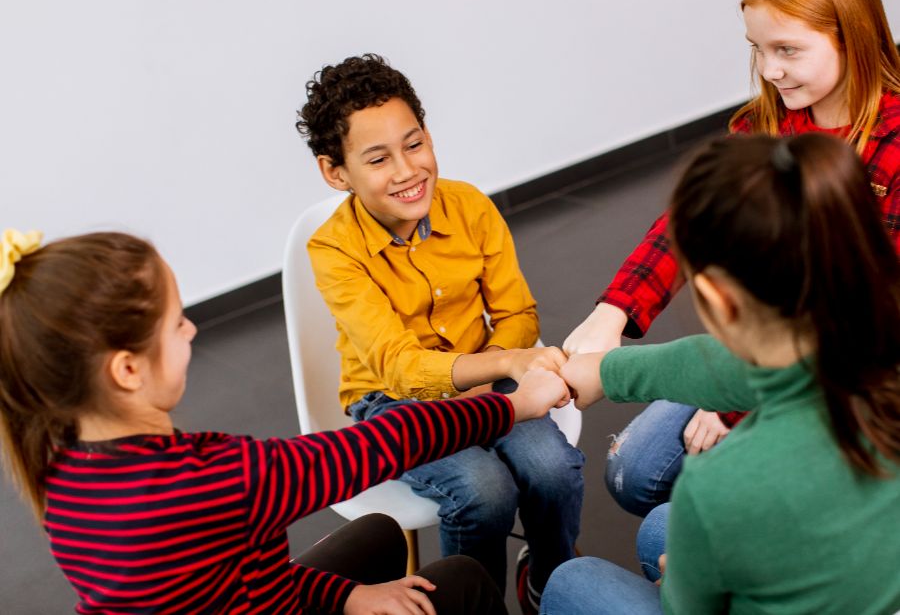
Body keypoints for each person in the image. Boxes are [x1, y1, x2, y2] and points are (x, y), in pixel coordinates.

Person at [0, 229, 573, 614]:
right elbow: (385, 443)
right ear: (127, 369)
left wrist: (347, 598)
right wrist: (515, 405)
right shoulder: (216, 477)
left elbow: (233, 579)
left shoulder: (61, 474)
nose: (192, 330)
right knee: (463, 581)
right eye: (176, 324)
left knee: (377, 533)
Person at [563, 0, 900, 522]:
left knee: (667, 520)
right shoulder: (765, 123)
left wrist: (736, 403)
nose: (769, 70)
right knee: (632, 471)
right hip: (760, 353)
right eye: (757, 48)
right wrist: (614, 309)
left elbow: (867, 325)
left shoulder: (892, 142)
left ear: (851, 32)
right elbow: (686, 223)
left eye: (788, 50)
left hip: (849, 386)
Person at [542, 132, 900, 614]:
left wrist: (680, 577)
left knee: (573, 581)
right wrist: (609, 371)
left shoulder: (718, 488)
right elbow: (738, 369)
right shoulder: (869, 354)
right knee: (660, 528)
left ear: (717, 297)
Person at [296, 54, 584, 613]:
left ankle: (551, 585)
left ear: (428, 135)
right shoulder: (332, 249)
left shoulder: (470, 206)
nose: (407, 170)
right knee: (483, 490)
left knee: (552, 469)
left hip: (489, 368)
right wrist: (500, 369)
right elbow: (400, 367)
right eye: (378, 159)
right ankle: (475, 604)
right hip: (391, 400)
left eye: (414, 144)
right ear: (335, 172)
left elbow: (517, 313)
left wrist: (495, 364)